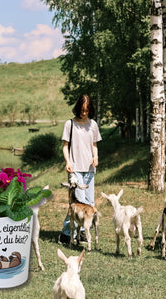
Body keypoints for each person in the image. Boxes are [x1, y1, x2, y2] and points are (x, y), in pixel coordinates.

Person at [58, 94, 102, 244]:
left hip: (89, 169)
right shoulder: (70, 124)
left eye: (87, 110)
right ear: (78, 108)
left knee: (89, 202)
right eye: (82, 110)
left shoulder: (93, 125)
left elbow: (94, 145)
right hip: (75, 168)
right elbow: (65, 146)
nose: (84, 113)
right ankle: (65, 233)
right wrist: (67, 162)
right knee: (78, 202)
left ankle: (82, 232)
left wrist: (95, 158)